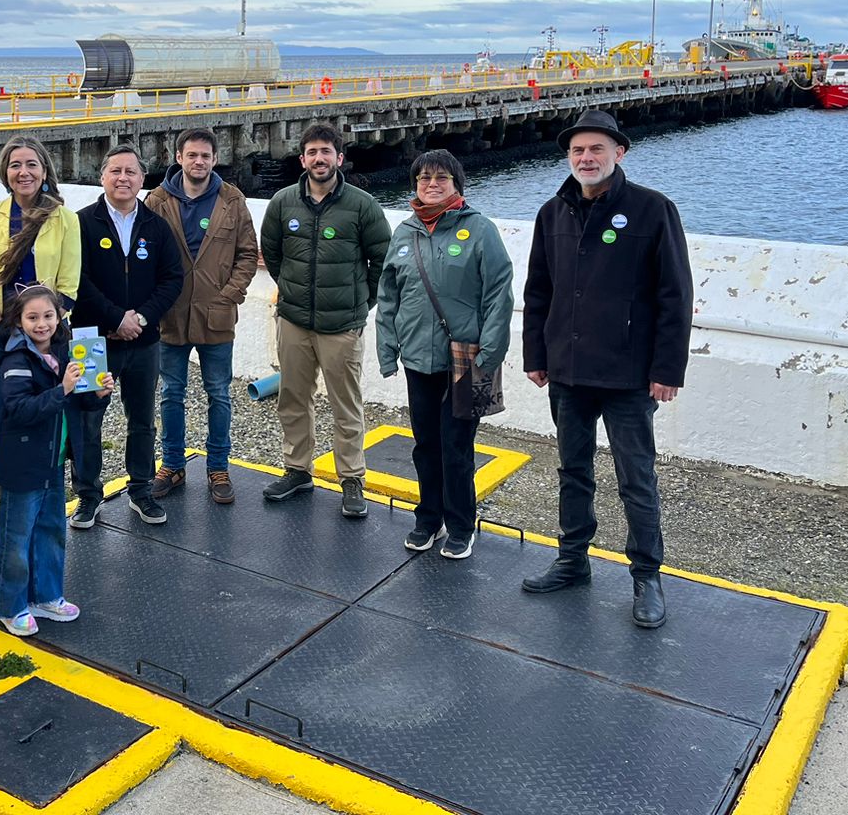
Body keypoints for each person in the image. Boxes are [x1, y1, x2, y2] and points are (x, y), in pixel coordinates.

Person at [521, 109, 693, 629]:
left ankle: (647, 577)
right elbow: (538, 292)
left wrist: (668, 369)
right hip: (568, 372)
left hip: (628, 375)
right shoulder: (553, 212)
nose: (586, 158)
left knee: (635, 477)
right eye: (577, 150)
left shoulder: (652, 209)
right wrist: (536, 354)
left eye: (596, 149)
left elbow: (675, 295)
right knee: (573, 471)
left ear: (619, 153)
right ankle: (573, 560)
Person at [375, 150, 514, 560]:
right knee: (425, 444)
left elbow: (498, 293)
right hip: (417, 358)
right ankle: (428, 517)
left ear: (457, 183)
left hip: (465, 358)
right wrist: (388, 347)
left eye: (440, 178)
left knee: (456, 447)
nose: (431, 184)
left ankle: (460, 524)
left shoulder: (479, 230)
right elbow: (388, 296)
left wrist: (491, 351)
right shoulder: (405, 233)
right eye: (423, 178)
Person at [258, 124, 391, 517]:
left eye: (326, 152)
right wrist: (293, 292)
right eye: (312, 152)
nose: (319, 159)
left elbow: (381, 259)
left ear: (339, 158)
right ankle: (297, 470)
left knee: (345, 405)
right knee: (293, 399)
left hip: (342, 327)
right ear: (302, 159)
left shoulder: (362, 205)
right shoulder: (283, 202)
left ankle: (351, 479)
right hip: (295, 322)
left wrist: (360, 302)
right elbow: (273, 252)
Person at [71, 145, 185, 527]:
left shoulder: (156, 226)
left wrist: (141, 317)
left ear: (142, 179)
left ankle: (140, 490)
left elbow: (172, 278)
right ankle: (88, 495)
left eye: (131, 172)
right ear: (102, 177)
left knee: (142, 420)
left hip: (144, 339)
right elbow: (76, 280)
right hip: (91, 339)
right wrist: (115, 317)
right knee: (88, 420)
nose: (123, 178)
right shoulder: (82, 222)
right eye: (115, 171)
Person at [143, 127, 258, 504]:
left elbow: (247, 254)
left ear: (214, 159)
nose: (198, 162)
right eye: (191, 155)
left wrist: (230, 296)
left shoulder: (232, 199)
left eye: (205, 156)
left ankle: (218, 467)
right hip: (170, 314)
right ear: (179, 158)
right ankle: (172, 464)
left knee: (219, 394)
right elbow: (144, 253)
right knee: (171, 393)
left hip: (217, 315)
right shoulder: (156, 201)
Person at [0, 285, 114, 636]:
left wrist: (99, 393)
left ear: (59, 316)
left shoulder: (65, 352)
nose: (42, 324)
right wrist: (62, 388)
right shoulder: (15, 360)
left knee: (51, 531)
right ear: (18, 320)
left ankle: (46, 596)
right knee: (16, 539)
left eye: (48, 315)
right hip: (23, 466)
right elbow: (19, 409)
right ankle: (9, 606)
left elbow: (79, 403)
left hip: (54, 463)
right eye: (32, 317)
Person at [0, 136, 81, 437]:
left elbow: (69, 287)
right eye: (15, 165)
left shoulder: (65, 220)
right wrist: (3, 331)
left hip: (48, 333)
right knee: (3, 411)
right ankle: (11, 480)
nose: (24, 172)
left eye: (32, 164)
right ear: (5, 173)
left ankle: (46, 479)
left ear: (44, 171)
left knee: (48, 409)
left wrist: (41, 328)